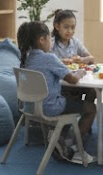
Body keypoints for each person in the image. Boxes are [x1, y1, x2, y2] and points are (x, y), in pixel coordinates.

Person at [17, 20, 94, 163]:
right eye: (48, 38)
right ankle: (70, 145)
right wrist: (81, 72)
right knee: (91, 108)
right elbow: (72, 80)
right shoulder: (49, 58)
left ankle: (60, 136)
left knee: (68, 97)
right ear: (42, 40)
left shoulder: (25, 59)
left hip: (29, 107)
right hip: (49, 107)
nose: (50, 42)